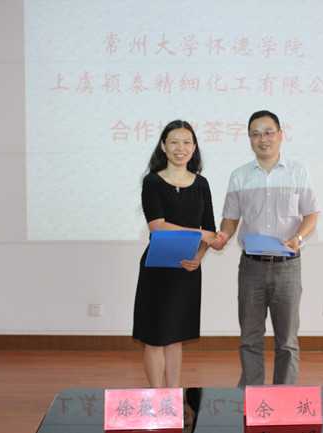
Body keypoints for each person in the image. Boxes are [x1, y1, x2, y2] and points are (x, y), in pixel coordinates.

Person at [215, 110, 320, 387]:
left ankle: (284, 397)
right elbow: (230, 219)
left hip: (287, 267)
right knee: (249, 339)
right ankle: (252, 394)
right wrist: (222, 236)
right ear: (249, 138)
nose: (262, 139)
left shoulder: (299, 172)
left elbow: (311, 214)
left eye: (268, 132)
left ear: (280, 134)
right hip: (251, 268)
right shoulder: (239, 176)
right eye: (255, 134)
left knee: (287, 342)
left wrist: (297, 238)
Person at [132, 120, 219, 388]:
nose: (181, 148)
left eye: (187, 142)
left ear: (194, 147)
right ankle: (156, 395)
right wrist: (200, 234)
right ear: (163, 146)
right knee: (155, 337)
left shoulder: (201, 183)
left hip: (187, 269)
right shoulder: (152, 182)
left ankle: (171, 397)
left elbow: (210, 230)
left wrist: (199, 257)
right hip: (157, 269)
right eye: (174, 142)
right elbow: (157, 226)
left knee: (175, 337)